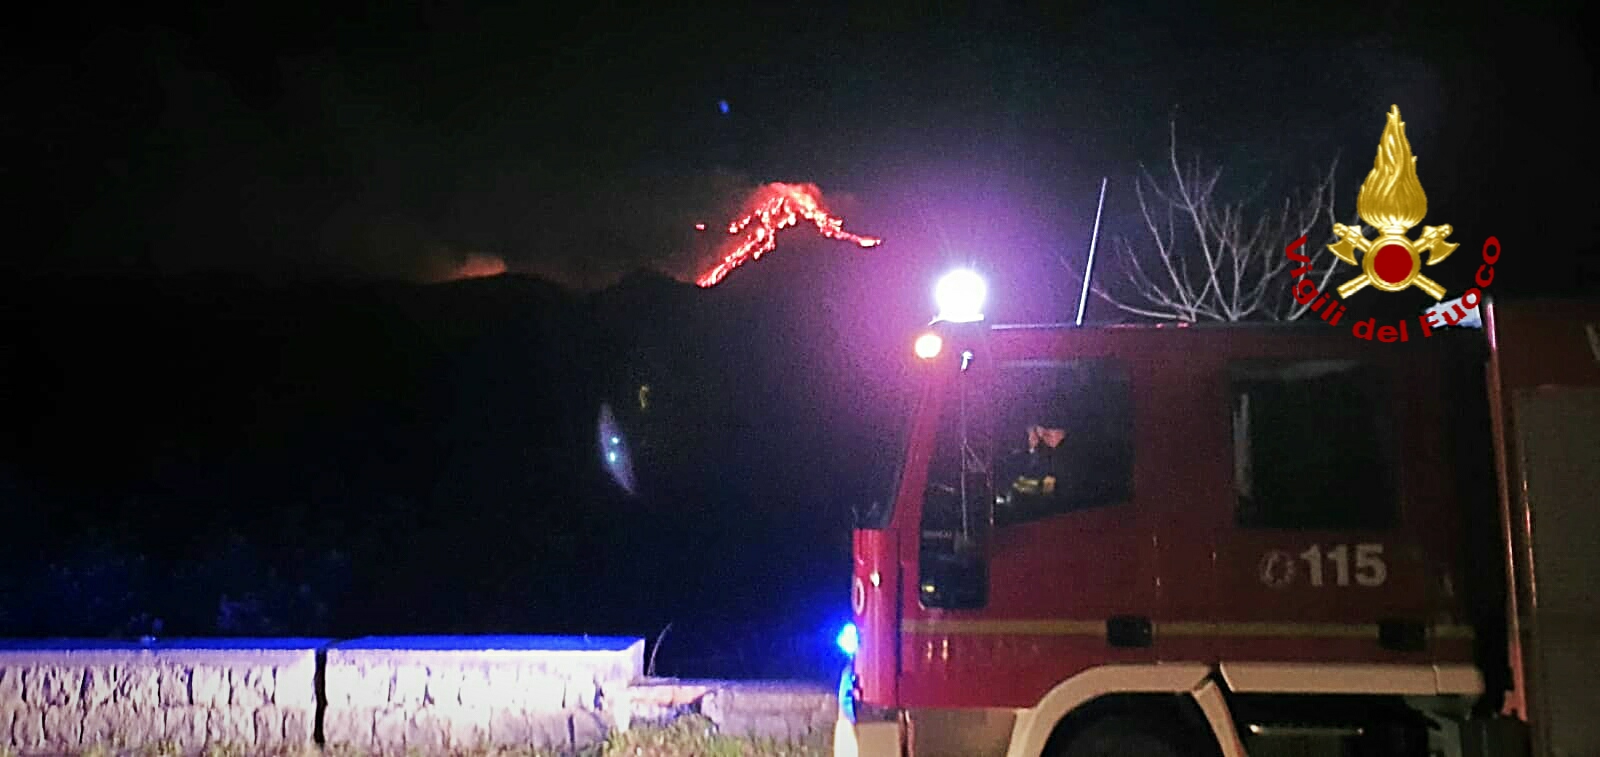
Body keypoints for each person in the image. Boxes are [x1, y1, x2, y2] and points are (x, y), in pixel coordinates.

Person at [996, 408, 1072, 523]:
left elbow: (1048, 490)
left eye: (1048, 434)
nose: (1036, 439)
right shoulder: (1023, 457)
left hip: (1048, 517)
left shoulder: (1058, 458)